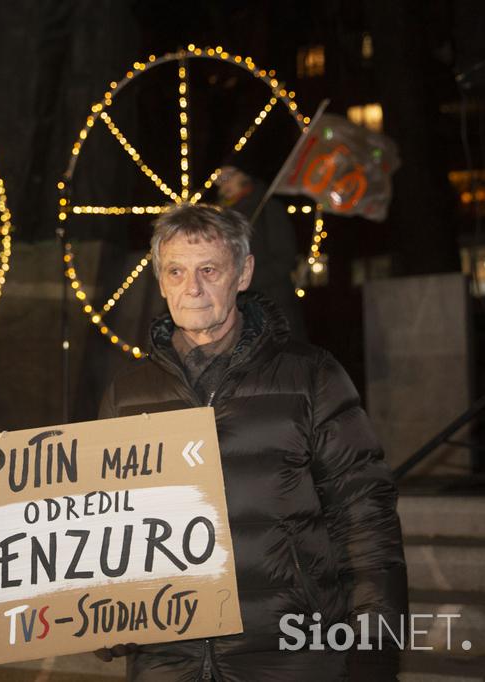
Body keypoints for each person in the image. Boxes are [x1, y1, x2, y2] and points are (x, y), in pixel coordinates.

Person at [97, 204, 407, 681]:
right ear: (160, 281)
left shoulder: (311, 376)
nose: (191, 288)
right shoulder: (127, 393)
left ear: (243, 274)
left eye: (209, 270)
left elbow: (364, 515)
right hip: (166, 658)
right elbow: (104, 522)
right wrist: (98, 609)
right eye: (176, 271)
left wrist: (373, 648)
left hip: (287, 650)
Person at [215, 164, 307, 341]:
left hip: (272, 308)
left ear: (244, 176)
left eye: (228, 176)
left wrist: (244, 281)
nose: (222, 183)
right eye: (219, 179)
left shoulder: (268, 209)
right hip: (237, 313)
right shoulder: (221, 220)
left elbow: (284, 259)